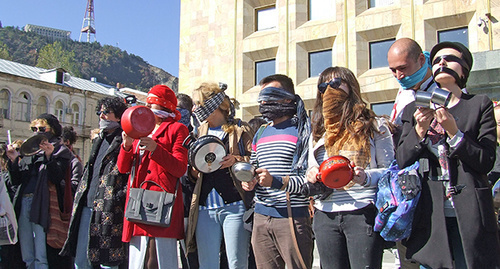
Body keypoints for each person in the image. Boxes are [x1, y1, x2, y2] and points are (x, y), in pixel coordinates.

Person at [396, 41, 500, 268]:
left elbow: (486, 161)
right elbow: (402, 158)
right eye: (436, 60)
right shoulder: (413, 109)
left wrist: (455, 133)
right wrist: (419, 131)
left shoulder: (478, 105)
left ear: (464, 69)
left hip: (470, 213)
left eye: (449, 58)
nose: (442, 62)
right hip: (431, 215)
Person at [304, 67, 394, 269]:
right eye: (323, 86)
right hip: (325, 212)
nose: (329, 90)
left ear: (350, 86)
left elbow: (389, 170)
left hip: (362, 211)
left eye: (335, 84)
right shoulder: (319, 132)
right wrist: (312, 174)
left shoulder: (374, 125)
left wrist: (364, 177)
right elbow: (311, 166)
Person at [241, 74, 313, 269]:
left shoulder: (304, 131)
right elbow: (253, 167)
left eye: (270, 95)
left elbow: (311, 181)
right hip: (261, 217)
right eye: (261, 97)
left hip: (292, 217)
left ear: (288, 98)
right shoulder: (261, 132)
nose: (263, 102)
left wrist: (276, 181)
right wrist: (248, 180)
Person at [117, 84, 189, 269]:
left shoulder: (177, 129)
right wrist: (126, 146)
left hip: (163, 200)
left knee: (161, 257)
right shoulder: (139, 128)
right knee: (138, 256)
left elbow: (180, 168)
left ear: (163, 106)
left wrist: (156, 149)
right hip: (138, 199)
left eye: (151, 104)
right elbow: (123, 168)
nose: (146, 108)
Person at [184, 82, 254, 269]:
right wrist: (194, 169)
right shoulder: (198, 132)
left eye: (198, 103)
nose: (195, 109)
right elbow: (190, 175)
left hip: (234, 205)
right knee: (207, 263)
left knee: (237, 262)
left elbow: (256, 160)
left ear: (212, 105)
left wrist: (236, 159)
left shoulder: (240, 129)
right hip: (205, 207)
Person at [60, 96, 129, 268]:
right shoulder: (98, 140)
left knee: (108, 260)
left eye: (107, 112)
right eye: (100, 112)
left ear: (119, 115)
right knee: (81, 260)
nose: (101, 116)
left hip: (109, 209)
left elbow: (129, 174)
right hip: (87, 205)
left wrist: (117, 197)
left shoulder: (125, 140)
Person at [6, 113, 77, 269]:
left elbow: (57, 178)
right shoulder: (28, 150)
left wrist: (49, 156)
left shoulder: (60, 150)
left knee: (41, 252)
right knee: (27, 250)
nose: (37, 131)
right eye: (34, 128)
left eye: (41, 128)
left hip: (44, 204)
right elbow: (16, 181)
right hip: (25, 200)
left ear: (51, 129)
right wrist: (13, 161)